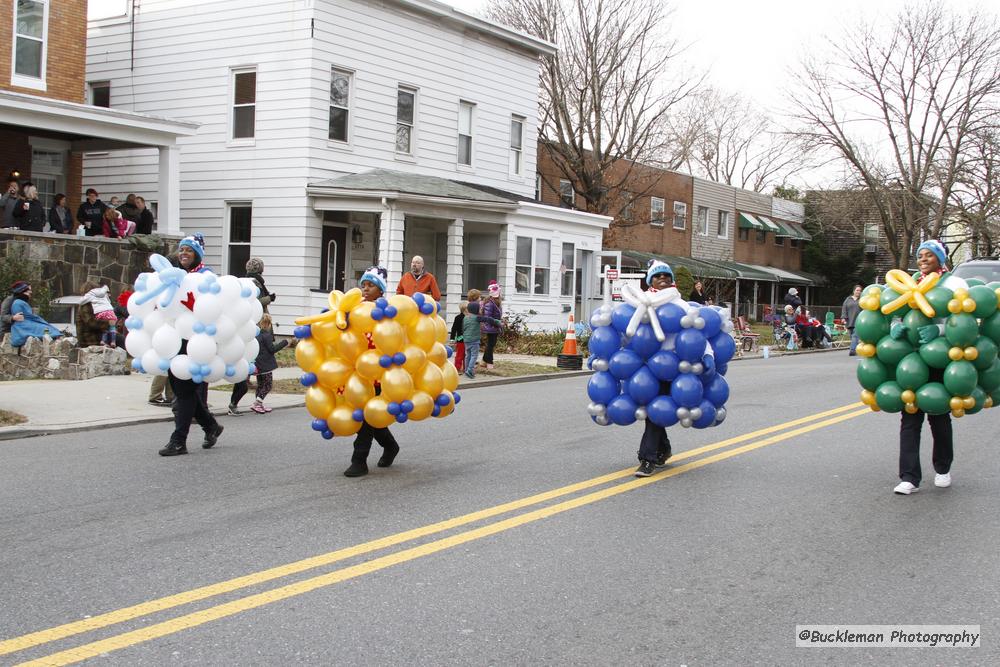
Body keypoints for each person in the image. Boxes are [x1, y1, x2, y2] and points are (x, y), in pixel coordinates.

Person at [891, 240, 957, 495]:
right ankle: (909, 477)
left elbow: (965, 319)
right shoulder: (908, 283)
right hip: (911, 357)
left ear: (940, 259)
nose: (924, 259)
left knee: (938, 416)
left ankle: (942, 469)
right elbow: (894, 311)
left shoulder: (951, 283)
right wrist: (895, 324)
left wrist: (939, 330)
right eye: (920, 255)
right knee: (910, 416)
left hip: (939, 357)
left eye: (930, 255)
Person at [159, 235, 223, 456]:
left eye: (189, 250)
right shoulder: (174, 276)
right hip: (172, 338)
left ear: (197, 254)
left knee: (185, 390)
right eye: (181, 249)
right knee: (180, 388)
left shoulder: (206, 277)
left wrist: (195, 306)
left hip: (196, 341)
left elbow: (213, 308)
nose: (184, 253)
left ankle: (178, 441)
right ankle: (211, 426)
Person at [344, 266, 400, 478]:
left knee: (368, 416)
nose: (366, 289)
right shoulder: (355, 308)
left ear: (381, 290)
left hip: (378, 372)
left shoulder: (385, 310)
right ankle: (390, 446)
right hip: (357, 370)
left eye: (371, 286)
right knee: (370, 416)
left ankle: (359, 460)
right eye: (364, 285)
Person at [635, 260, 674, 477]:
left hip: (671, 367)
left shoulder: (678, 304)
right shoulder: (640, 303)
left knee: (656, 410)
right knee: (654, 411)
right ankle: (663, 448)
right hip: (644, 366)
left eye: (667, 276)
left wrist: (706, 356)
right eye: (658, 276)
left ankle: (647, 458)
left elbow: (695, 333)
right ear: (651, 280)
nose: (663, 279)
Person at [251, 313, 287, 414]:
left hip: (258, 363)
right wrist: (284, 342)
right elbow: (272, 349)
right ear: (268, 324)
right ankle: (257, 403)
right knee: (268, 385)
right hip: (265, 364)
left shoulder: (256, 335)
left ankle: (259, 404)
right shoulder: (266, 335)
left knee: (260, 385)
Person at [8, 282, 63, 347]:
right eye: (29, 290)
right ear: (23, 291)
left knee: (46, 328)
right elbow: (23, 317)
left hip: (27, 323)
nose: (31, 292)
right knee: (46, 329)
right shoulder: (17, 302)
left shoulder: (21, 302)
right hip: (23, 325)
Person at [80, 282, 119, 348]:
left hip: (97, 336)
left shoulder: (95, 303)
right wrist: (108, 323)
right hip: (91, 339)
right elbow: (91, 322)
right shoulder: (86, 306)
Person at [480, 280, 503, 370]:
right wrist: (497, 322)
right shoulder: (490, 303)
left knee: (491, 344)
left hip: (495, 326)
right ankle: (489, 362)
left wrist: (499, 321)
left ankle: (484, 361)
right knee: (490, 344)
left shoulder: (496, 303)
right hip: (490, 326)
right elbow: (488, 317)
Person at [842, 284, 862, 356]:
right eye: (857, 290)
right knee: (852, 336)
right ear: (854, 291)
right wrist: (843, 318)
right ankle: (855, 348)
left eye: (860, 290)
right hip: (850, 321)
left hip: (859, 321)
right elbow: (844, 309)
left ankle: (852, 350)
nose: (858, 292)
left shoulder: (862, 299)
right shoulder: (848, 299)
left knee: (855, 336)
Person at [450, 301, 467, 373]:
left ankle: (466, 368)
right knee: (459, 355)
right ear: (465, 309)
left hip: (468, 339)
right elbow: (454, 329)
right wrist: (452, 338)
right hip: (460, 339)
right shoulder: (458, 318)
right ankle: (457, 368)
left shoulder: (470, 317)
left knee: (466, 355)